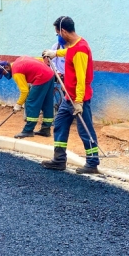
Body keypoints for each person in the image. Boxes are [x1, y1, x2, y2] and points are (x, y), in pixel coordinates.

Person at [41, 16, 100, 175]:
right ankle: (59, 160)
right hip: (68, 97)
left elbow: (81, 79)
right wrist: (55, 53)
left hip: (78, 99)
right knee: (59, 124)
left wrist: (79, 102)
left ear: (64, 31)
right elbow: (69, 51)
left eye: (57, 33)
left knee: (85, 130)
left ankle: (92, 162)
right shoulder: (75, 45)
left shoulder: (81, 50)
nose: (58, 36)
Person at [0, 57, 55, 139]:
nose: (5, 75)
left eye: (4, 73)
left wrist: (18, 104)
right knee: (47, 103)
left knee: (31, 102)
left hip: (41, 77)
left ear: (7, 67)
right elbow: (39, 60)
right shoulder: (18, 61)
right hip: (50, 74)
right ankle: (46, 129)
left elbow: (24, 91)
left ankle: (28, 130)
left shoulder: (16, 72)